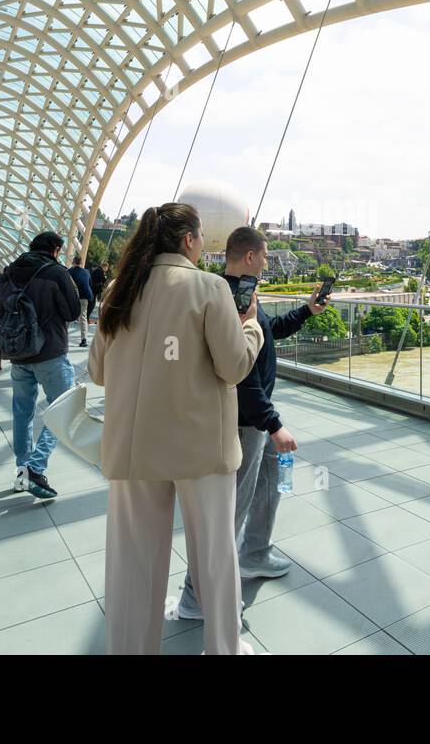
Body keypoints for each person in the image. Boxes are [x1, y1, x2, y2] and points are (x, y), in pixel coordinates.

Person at [89, 203, 263, 655]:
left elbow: (98, 371)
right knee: (214, 557)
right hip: (200, 447)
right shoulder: (208, 289)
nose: (205, 245)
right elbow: (234, 366)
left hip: (133, 448)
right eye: (202, 237)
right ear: (188, 240)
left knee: (133, 563)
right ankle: (223, 648)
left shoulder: (118, 291)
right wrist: (252, 328)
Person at [176, 226, 328, 620]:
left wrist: (307, 312)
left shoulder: (244, 294)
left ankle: (255, 553)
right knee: (229, 511)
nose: (266, 262)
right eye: (264, 256)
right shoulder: (227, 298)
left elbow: (267, 332)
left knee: (269, 482)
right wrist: (274, 424)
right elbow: (241, 376)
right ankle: (195, 596)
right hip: (244, 423)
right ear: (249, 257)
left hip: (253, 420)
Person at [0, 231, 81, 500]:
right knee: (64, 410)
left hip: (19, 355)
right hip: (51, 353)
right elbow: (72, 312)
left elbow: (0, 315)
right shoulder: (56, 273)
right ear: (56, 249)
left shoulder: (8, 272)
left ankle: (22, 468)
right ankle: (35, 466)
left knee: (22, 412)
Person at [67, 255, 93, 348]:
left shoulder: (69, 271)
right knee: (83, 318)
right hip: (85, 296)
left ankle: (63, 337)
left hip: (74, 297)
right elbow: (90, 284)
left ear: (73, 262)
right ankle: (84, 340)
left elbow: (67, 285)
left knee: (68, 316)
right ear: (81, 263)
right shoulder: (86, 272)